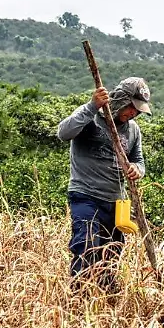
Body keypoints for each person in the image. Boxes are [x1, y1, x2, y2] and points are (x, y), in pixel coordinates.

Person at [56, 76, 151, 293]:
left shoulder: (133, 130)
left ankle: (106, 302)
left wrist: (138, 170)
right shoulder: (91, 117)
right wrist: (92, 106)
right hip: (86, 196)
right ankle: (80, 298)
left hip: (116, 202)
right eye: (131, 108)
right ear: (120, 100)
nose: (133, 114)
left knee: (112, 252)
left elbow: (139, 160)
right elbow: (63, 133)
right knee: (87, 247)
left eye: (137, 111)